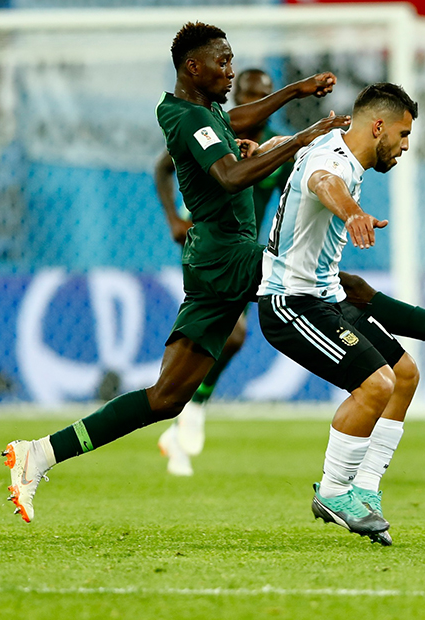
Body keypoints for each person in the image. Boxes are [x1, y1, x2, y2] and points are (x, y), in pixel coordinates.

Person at [3, 23, 425, 526]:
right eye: (222, 63)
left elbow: (237, 121)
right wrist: (304, 138)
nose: (230, 71)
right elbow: (229, 176)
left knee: (166, 398)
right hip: (226, 255)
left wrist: (294, 93)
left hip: (219, 258)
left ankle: (39, 453)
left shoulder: (204, 112)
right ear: (192, 67)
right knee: (339, 287)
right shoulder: (184, 115)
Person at [257, 83, 421, 545]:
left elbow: (295, 151)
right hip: (291, 303)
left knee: (404, 375)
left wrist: (265, 148)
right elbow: (323, 181)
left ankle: (364, 490)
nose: (405, 146)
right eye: (403, 134)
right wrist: (351, 213)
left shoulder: (331, 140)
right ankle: (332, 492)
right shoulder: (335, 162)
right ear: (378, 127)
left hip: (326, 297)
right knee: (377, 384)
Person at [153, 69, 302, 476]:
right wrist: (173, 219)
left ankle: (182, 415)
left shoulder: (276, 147)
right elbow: (162, 168)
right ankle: (190, 408)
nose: (254, 100)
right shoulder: (213, 131)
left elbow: (290, 200)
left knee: (225, 338)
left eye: (262, 94)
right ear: (238, 97)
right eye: (248, 94)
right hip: (207, 244)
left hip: (246, 250)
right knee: (231, 334)